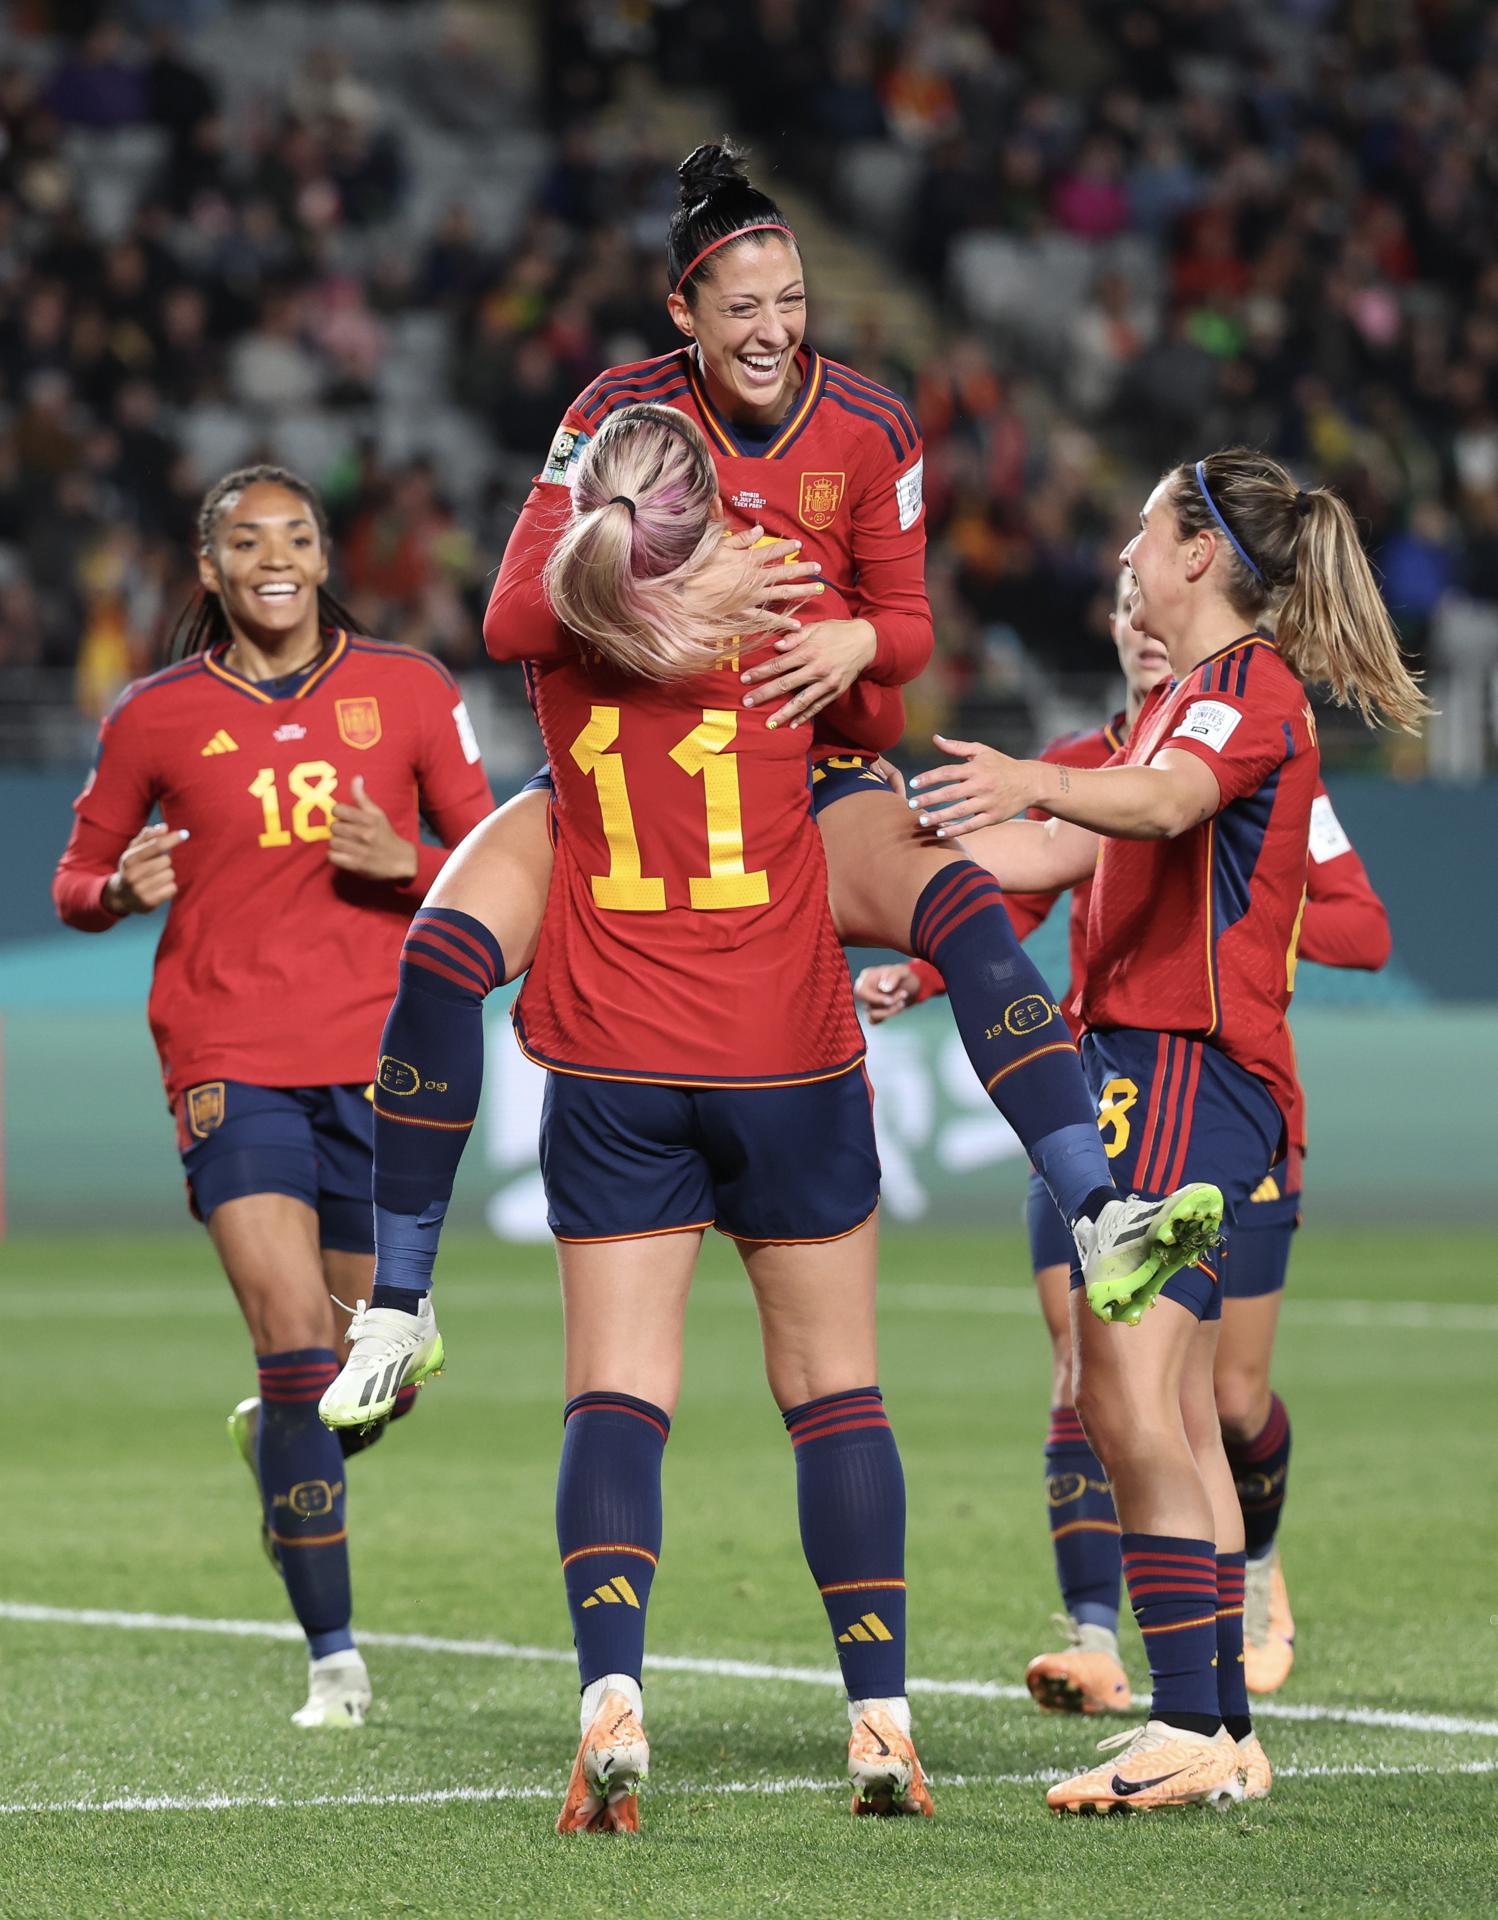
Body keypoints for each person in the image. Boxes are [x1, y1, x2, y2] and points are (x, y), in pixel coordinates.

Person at [318, 141, 1217, 1433]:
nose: (772, 332)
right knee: (443, 949)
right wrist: (689, 606)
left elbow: (901, 653)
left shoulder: (870, 424)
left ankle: (1098, 1210)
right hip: (626, 763)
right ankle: (399, 1309)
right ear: (681, 311)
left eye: (788, 302)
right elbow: (516, 613)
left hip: (812, 773)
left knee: (958, 905)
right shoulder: (612, 415)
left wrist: (854, 639)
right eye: (741, 307)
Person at [906, 448, 1425, 1813]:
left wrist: (1034, 778)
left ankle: (1185, 1721)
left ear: (1197, 552)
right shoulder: (1182, 702)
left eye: (1143, 529)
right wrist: (909, 896)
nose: (1123, 553)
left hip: (1180, 1070)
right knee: (1176, 1407)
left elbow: (1158, 808)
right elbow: (1067, 852)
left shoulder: (1243, 692)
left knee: (1125, 1393)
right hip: (1158, 1072)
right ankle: (1224, 1728)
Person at [495, 401, 934, 1830]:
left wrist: (572, 466)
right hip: (785, 1049)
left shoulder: (562, 635)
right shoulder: (782, 620)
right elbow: (882, 713)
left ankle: (609, 1694)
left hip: (617, 1054)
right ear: (713, 505)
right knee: (834, 1394)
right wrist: (855, 630)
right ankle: (879, 1722)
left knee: (615, 1393)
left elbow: (520, 599)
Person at [51, 465, 494, 1728]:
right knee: (297, 1346)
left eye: (296, 536)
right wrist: (118, 895)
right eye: (248, 541)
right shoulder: (154, 716)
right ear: (212, 569)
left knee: (368, 1367)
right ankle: (336, 1662)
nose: (276, 558)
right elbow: (75, 880)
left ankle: (308, 1426)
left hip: (380, 1062)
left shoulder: (407, 689)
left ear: (322, 555)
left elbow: (484, 862)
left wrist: (403, 863)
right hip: (228, 1057)